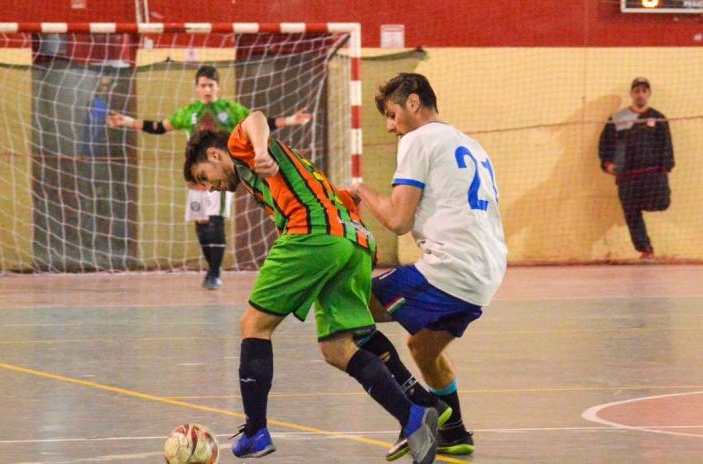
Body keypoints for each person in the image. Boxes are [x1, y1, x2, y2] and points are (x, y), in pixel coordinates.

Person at [183, 111, 439, 464]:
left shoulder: (239, 147)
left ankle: (256, 430)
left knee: (254, 325)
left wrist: (259, 149)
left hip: (312, 233)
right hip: (354, 242)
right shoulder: (275, 182)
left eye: (204, 177)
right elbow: (343, 202)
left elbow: (255, 118)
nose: (210, 186)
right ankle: (412, 415)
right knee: (337, 348)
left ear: (214, 156)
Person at [349, 73, 508, 459]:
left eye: (391, 114)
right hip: (487, 271)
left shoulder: (418, 140)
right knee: (423, 348)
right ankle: (455, 432)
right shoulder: (469, 143)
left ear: (414, 103)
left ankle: (419, 410)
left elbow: (399, 221)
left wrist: (360, 191)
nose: (390, 126)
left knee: (349, 311)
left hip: (450, 269)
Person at [107, 65, 311, 288]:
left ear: (218, 87)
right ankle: (210, 269)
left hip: (221, 174)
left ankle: (214, 273)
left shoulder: (229, 109)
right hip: (198, 178)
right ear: (196, 88)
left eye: (211, 85)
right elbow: (159, 127)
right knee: (201, 224)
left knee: (216, 221)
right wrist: (126, 121)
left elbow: (261, 121)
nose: (207, 89)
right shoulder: (188, 112)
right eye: (203, 85)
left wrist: (290, 120)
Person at [598, 77, 674, 262]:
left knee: (662, 203)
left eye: (644, 91)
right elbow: (605, 144)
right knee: (631, 213)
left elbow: (667, 145)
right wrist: (607, 164)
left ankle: (641, 202)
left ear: (649, 94)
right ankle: (646, 250)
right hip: (628, 177)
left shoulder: (658, 117)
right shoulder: (617, 119)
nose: (640, 94)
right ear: (631, 94)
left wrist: (665, 168)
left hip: (652, 175)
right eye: (637, 91)